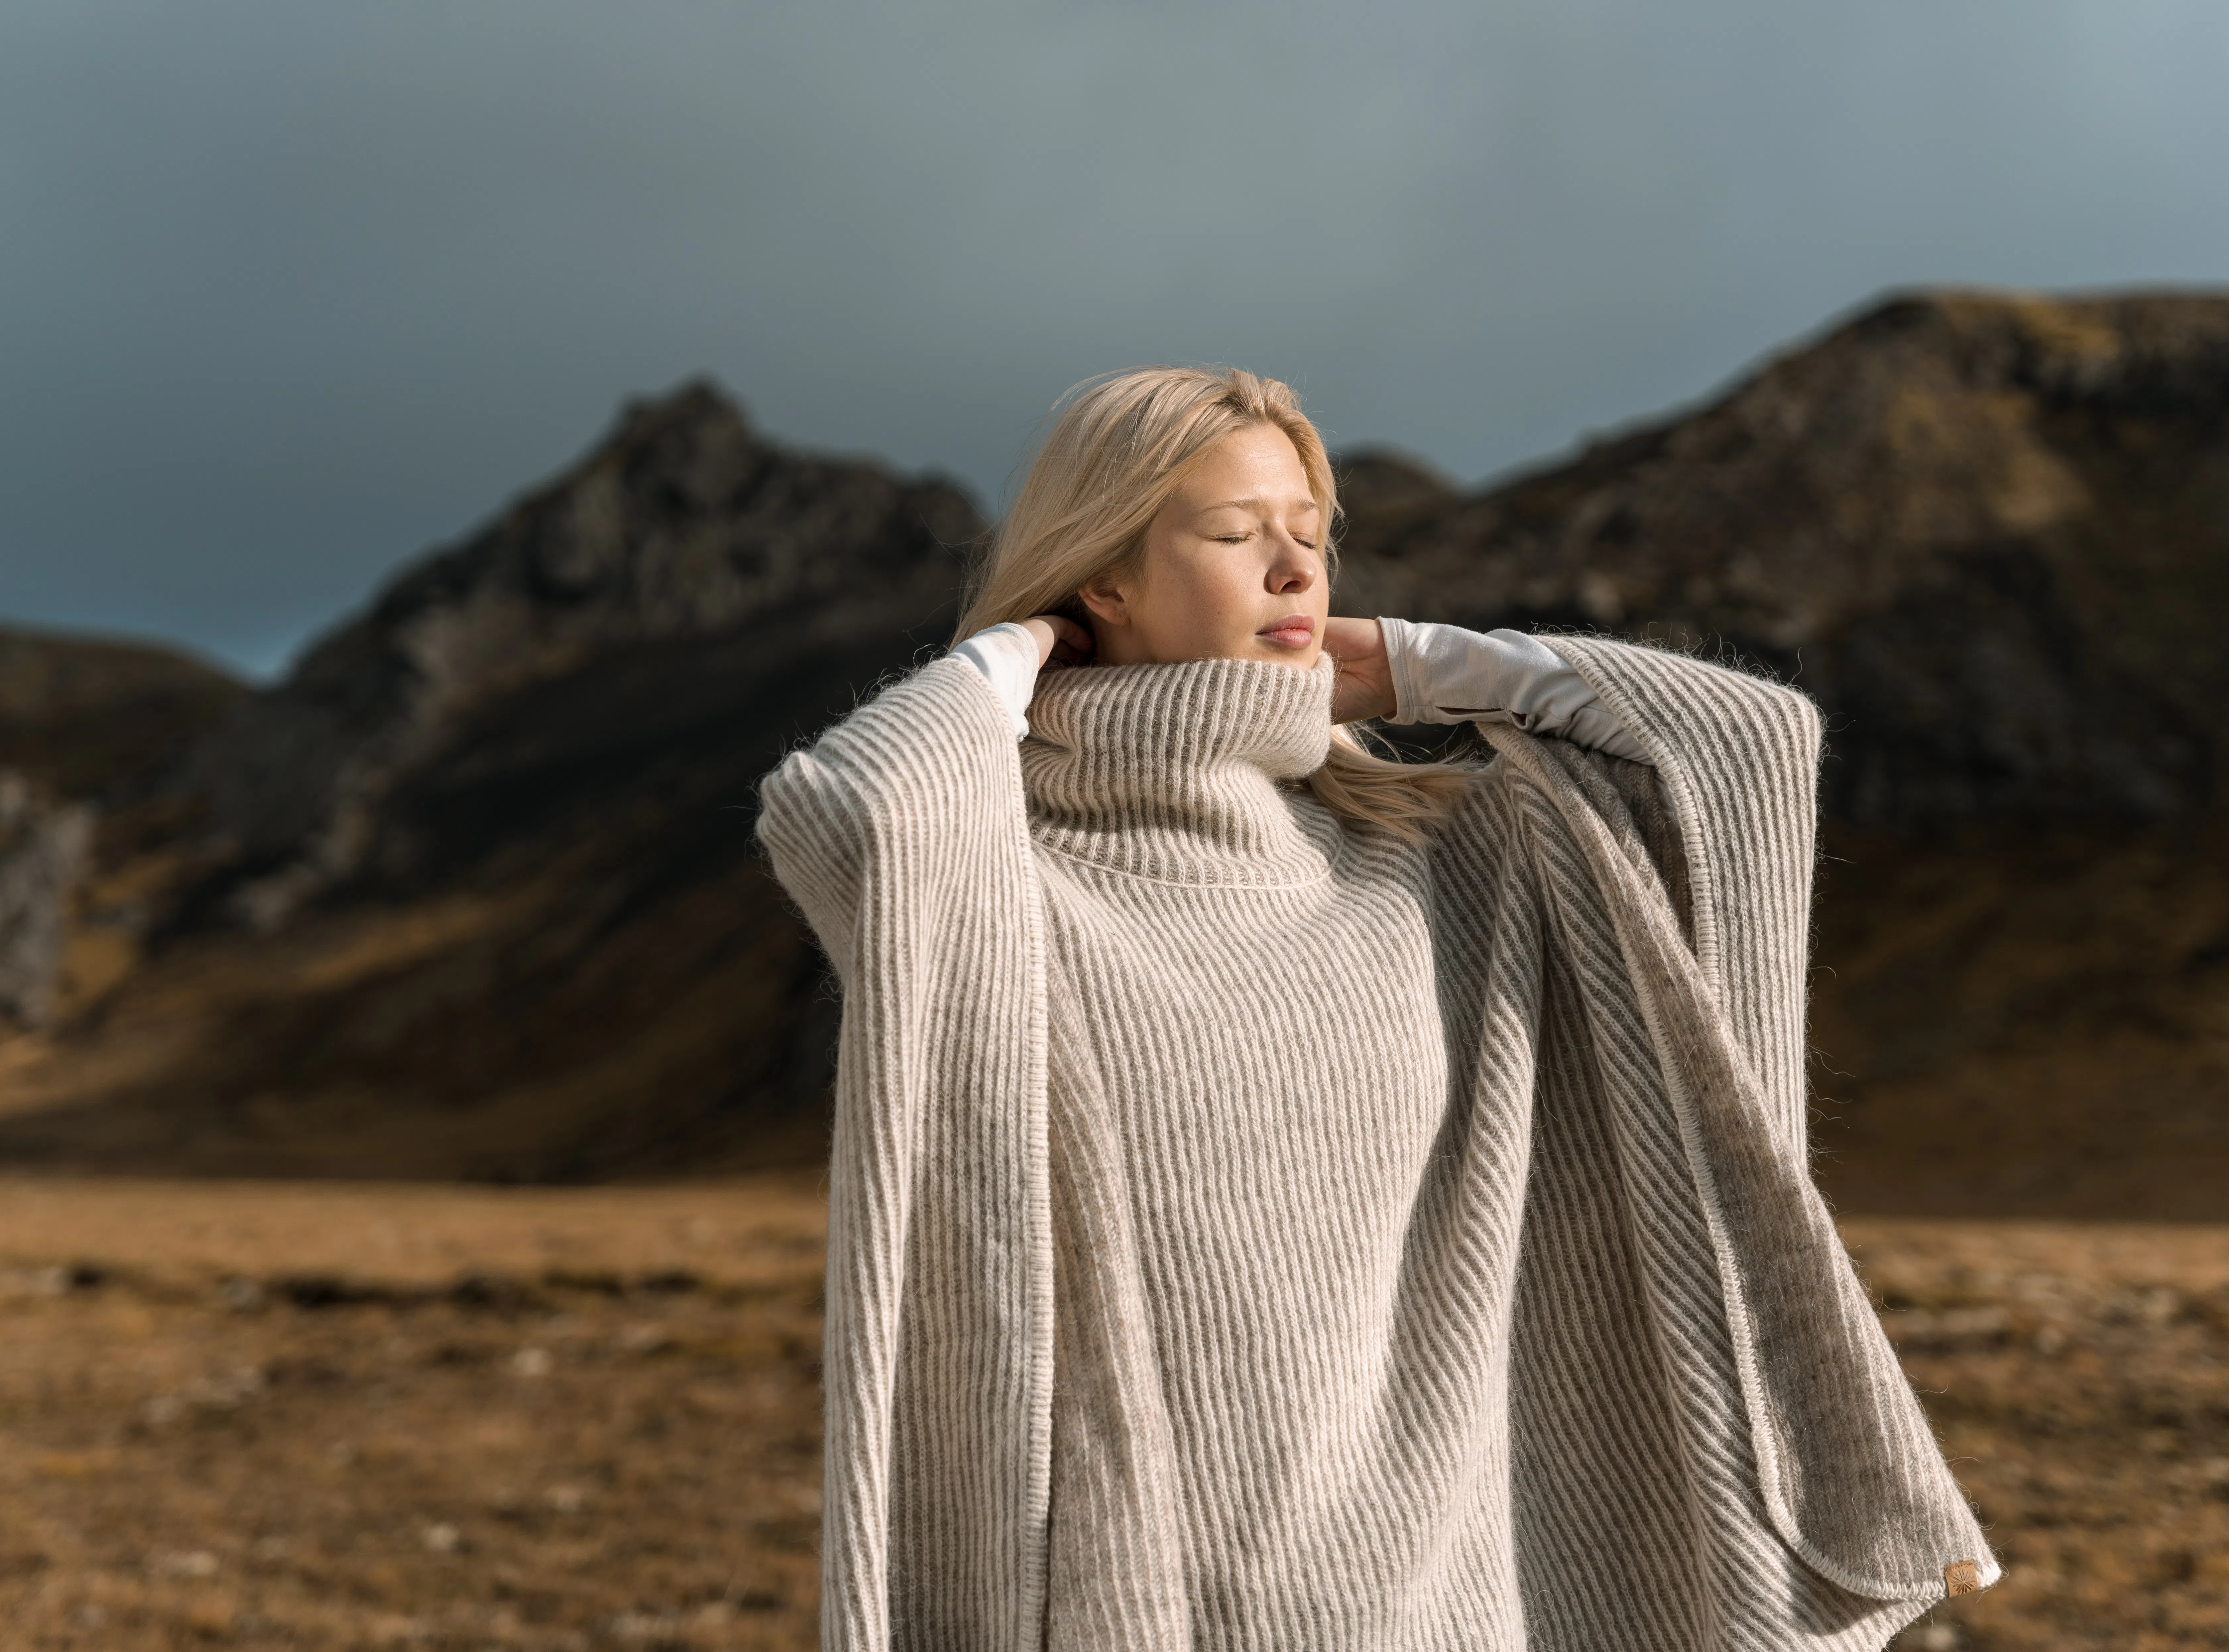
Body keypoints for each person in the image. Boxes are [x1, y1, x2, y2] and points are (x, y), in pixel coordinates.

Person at [756, 367, 1994, 1651]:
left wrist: (1425, 667)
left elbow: (1746, 749)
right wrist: (1012, 655)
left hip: (1461, 1599)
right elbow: (852, 810)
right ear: (1104, 580)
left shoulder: (1431, 865)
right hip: (1164, 1598)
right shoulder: (1007, 886)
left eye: (1312, 532)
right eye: (1236, 534)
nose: (1297, 569)